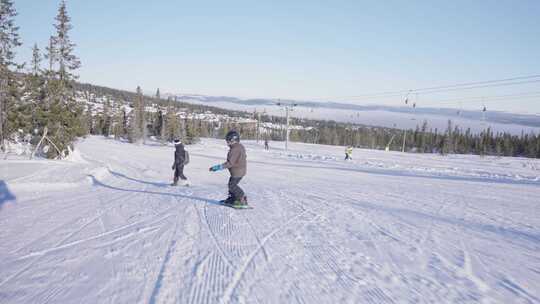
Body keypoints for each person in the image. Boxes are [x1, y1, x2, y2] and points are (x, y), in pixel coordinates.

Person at [209, 130, 248, 206]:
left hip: (238, 171)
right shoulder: (239, 146)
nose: (227, 142)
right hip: (239, 170)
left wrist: (219, 167)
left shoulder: (235, 149)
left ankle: (242, 199)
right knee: (231, 185)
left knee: (232, 186)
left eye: (229, 140)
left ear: (234, 140)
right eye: (227, 140)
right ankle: (233, 198)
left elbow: (230, 163)